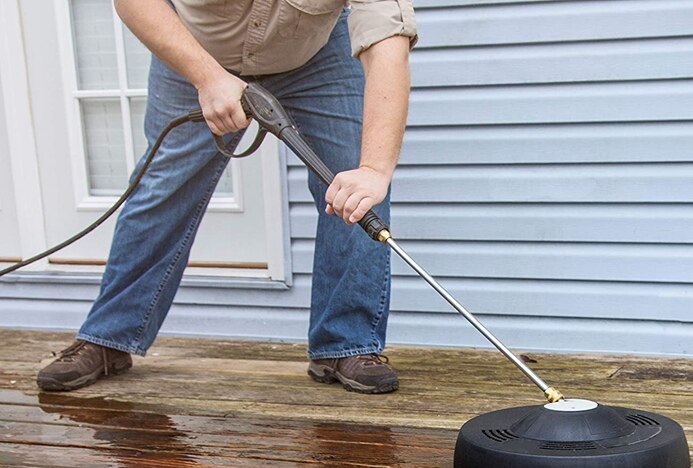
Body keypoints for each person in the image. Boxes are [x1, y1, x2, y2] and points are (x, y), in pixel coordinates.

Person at [37, 0, 417, 395]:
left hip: (314, 52)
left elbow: (387, 40)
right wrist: (206, 77)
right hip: (195, 49)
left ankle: (345, 344)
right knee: (162, 190)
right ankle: (107, 338)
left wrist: (374, 170)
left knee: (354, 182)